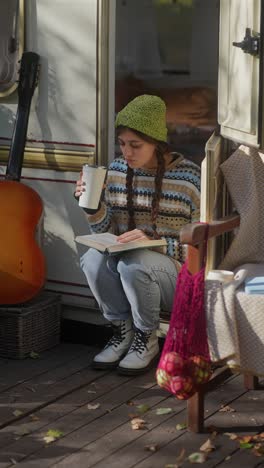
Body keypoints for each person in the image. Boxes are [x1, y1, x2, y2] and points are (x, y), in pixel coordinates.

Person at [74, 95, 200, 375]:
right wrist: (93, 206)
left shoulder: (189, 179)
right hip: (129, 268)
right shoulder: (117, 171)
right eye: (122, 144)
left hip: (174, 275)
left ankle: (147, 337)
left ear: (158, 143)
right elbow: (104, 233)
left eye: (135, 145)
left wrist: (155, 245)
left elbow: (202, 246)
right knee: (92, 260)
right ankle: (122, 331)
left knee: (136, 263)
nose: (126, 152)